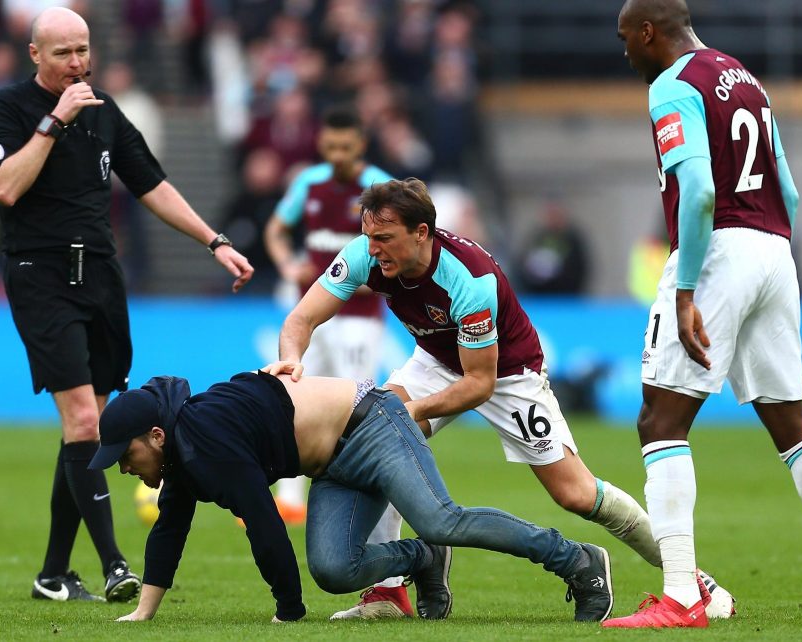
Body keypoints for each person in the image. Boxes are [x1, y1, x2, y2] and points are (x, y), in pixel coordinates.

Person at [266, 177, 734, 620]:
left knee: (575, 493)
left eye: (384, 237)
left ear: (422, 232)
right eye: (369, 236)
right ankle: (389, 591)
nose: (373, 248)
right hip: (433, 361)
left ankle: (691, 579)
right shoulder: (367, 254)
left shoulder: (469, 279)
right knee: (377, 438)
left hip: (508, 374)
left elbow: (478, 385)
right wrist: (291, 360)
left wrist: (413, 411)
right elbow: (300, 321)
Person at [606, 0, 802, 628]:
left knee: (660, 421)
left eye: (626, 39)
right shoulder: (744, 77)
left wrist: (686, 291)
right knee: (794, 425)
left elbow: (699, 191)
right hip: (774, 249)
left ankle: (680, 598)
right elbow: (789, 189)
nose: (625, 52)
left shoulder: (673, 86)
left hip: (719, 251)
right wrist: (771, 255)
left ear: (649, 32)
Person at [0, 7, 253, 603]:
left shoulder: (103, 109)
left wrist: (215, 242)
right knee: (83, 421)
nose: (77, 63)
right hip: (41, 275)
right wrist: (53, 121)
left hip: (100, 275)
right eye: (62, 54)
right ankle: (115, 567)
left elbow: (151, 183)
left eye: (83, 50)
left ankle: (52, 575)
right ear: (35, 55)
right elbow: (4, 188)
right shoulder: (9, 109)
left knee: (87, 429)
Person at [88, 369, 616, 623]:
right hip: (333, 463)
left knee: (440, 518)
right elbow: (169, 528)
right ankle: (423, 559)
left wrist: (288, 612)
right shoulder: (182, 449)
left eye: (124, 456)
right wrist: (144, 615)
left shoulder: (203, 439)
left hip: (373, 424)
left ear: (156, 436)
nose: (125, 468)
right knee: (334, 570)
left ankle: (576, 560)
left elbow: (264, 522)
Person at [263, 106, 392, 530]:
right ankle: (287, 499)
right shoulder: (308, 182)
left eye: (346, 146)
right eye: (331, 145)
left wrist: (367, 283)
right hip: (312, 314)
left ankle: (361, 496)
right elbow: (276, 229)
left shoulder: (379, 188)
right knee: (291, 397)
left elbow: (394, 257)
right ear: (321, 143)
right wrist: (286, 265)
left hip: (358, 316)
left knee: (354, 408)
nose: (337, 153)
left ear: (361, 145)